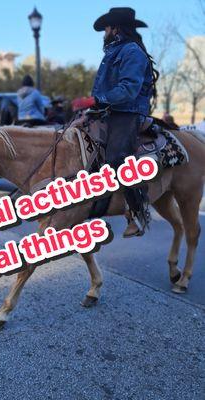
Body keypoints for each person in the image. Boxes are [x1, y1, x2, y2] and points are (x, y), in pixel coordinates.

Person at [90, 7, 159, 237]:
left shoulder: (131, 52)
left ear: (116, 29)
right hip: (111, 110)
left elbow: (128, 89)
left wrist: (97, 99)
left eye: (107, 28)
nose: (104, 33)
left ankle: (137, 214)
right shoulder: (114, 51)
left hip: (128, 111)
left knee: (118, 158)